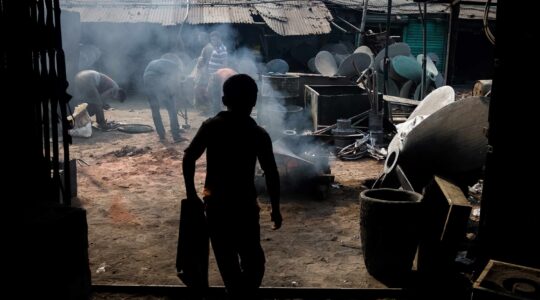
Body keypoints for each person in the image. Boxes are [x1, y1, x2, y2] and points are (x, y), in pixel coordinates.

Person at [183, 74, 282, 299]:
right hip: (245, 206)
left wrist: (192, 194)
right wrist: (275, 208)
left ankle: (236, 293)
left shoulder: (211, 127)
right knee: (254, 262)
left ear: (224, 100)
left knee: (227, 260)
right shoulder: (258, 134)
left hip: (216, 204)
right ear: (254, 101)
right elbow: (271, 173)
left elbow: (189, 158)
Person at [143, 54, 187, 143]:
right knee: (172, 109)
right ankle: (176, 136)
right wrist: (174, 96)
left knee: (155, 109)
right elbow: (175, 84)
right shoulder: (175, 66)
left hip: (146, 79)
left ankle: (161, 135)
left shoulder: (157, 62)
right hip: (156, 80)